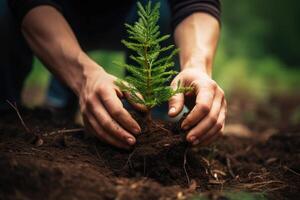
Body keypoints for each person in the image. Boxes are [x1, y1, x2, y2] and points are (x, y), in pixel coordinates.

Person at [1, 0, 226, 149]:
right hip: (52, 11)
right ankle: (10, 120)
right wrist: (84, 78)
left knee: (161, 8)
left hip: (133, 11)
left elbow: (196, 3)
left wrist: (197, 66)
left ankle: (150, 123)